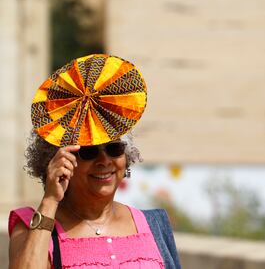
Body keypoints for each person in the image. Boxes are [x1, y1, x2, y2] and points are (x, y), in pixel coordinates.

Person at [8, 54, 181, 269]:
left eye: (114, 148)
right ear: (62, 160)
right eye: (89, 152)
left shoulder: (154, 225)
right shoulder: (31, 226)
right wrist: (50, 200)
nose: (104, 160)